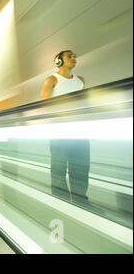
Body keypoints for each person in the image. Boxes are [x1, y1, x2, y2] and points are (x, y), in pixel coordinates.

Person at [40, 50, 90, 204]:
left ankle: (80, 200)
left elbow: (84, 105)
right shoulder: (52, 80)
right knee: (59, 169)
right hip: (60, 132)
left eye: (75, 56)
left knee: (81, 167)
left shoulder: (81, 81)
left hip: (79, 132)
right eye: (69, 56)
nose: (74, 58)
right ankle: (60, 200)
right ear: (59, 61)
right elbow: (44, 106)